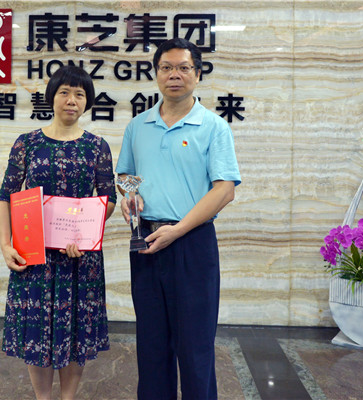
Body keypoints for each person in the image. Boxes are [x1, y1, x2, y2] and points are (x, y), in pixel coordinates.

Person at [115, 38, 241, 400]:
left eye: (183, 68)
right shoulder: (138, 126)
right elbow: (125, 176)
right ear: (156, 74)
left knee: (195, 346)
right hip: (145, 241)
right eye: (166, 67)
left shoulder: (213, 127)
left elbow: (224, 190)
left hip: (192, 243)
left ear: (197, 74)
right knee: (151, 344)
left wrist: (178, 230)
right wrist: (129, 196)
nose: (174, 75)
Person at [0, 65, 117, 400]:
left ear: (87, 102)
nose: (71, 100)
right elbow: (6, 196)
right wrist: (5, 244)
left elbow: (108, 198)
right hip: (34, 256)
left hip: (79, 257)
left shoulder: (97, 146)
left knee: (75, 330)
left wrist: (84, 233)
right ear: (52, 97)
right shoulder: (27, 143)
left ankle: (68, 397)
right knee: (37, 330)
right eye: (64, 92)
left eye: (79, 94)